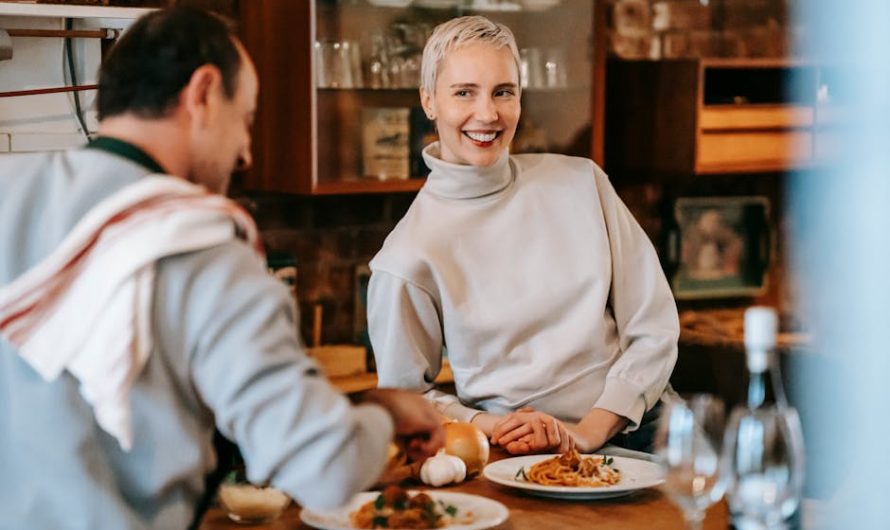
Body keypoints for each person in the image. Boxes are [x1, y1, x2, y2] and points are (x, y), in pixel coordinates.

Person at [0, 7, 442, 530]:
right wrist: (385, 414)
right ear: (204, 93)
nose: (246, 152)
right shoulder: (204, 246)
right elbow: (324, 468)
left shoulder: (9, 189)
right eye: (246, 120)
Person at [367, 16, 679, 456]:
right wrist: (492, 426)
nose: (488, 114)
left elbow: (655, 328)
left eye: (503, 92)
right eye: (464, 93)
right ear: (428, 101)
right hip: (521, 455)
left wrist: (588, 431)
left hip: (648, 428)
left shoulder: (582, 183)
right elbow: (406, 402)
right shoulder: (405, 257)